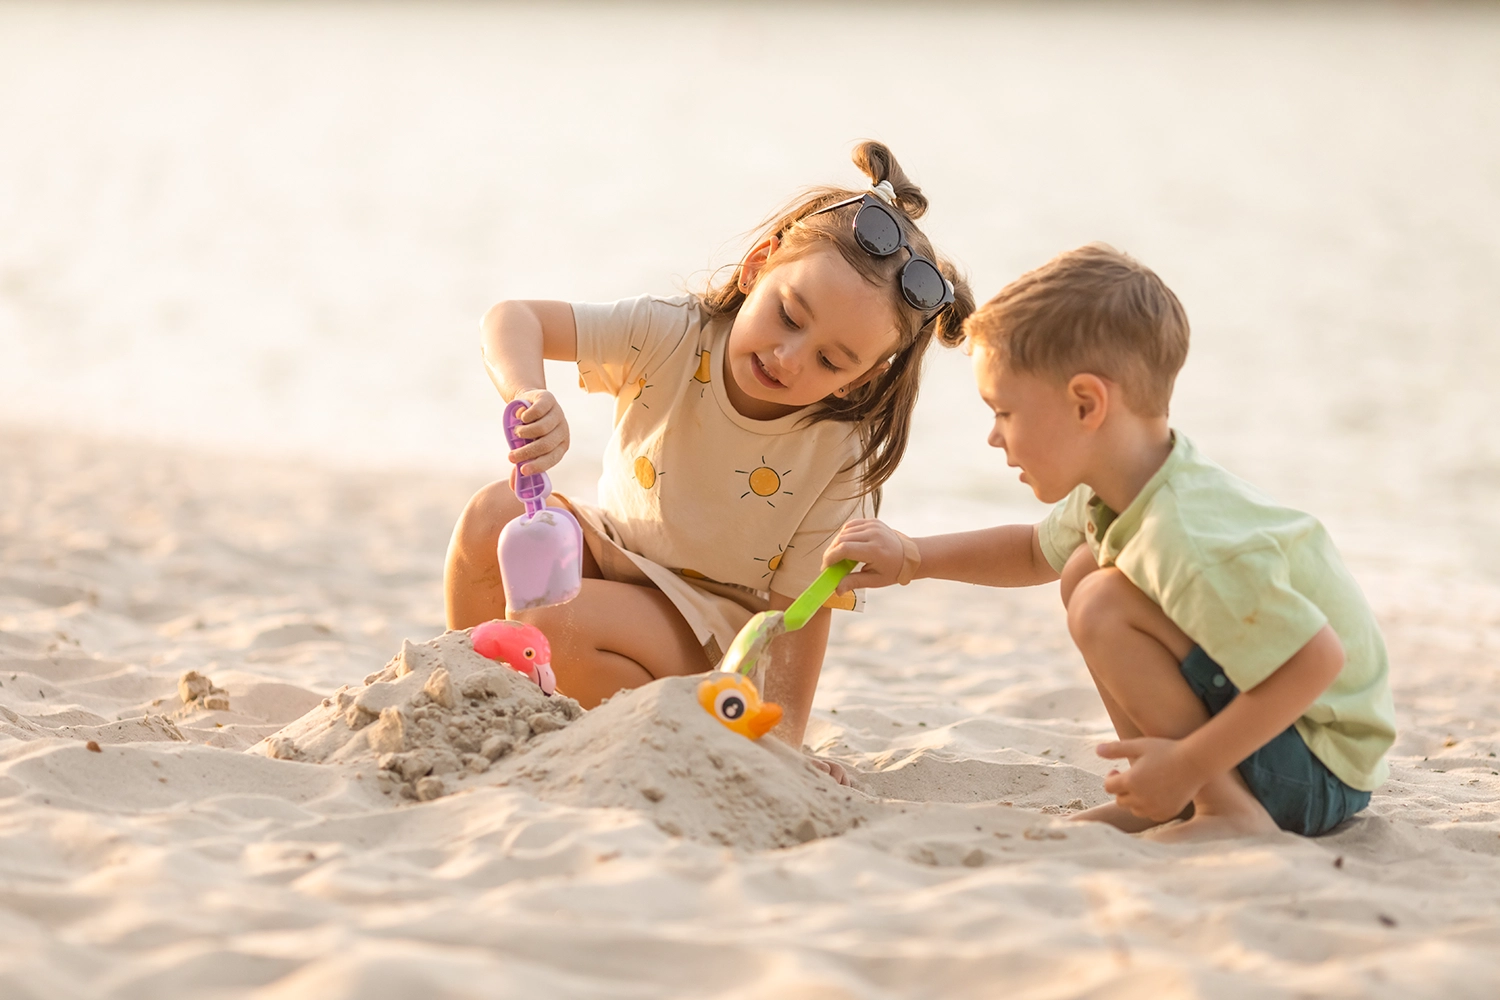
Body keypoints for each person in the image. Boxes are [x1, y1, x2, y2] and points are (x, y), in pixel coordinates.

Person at [822, 244, 1395, 839]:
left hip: (1320, 764)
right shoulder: (1124, 490)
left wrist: (1188, 764)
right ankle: (1168, 793)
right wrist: (912, 557)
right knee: (1081, 570)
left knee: (1102, 601)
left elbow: (1316, 661)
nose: (993, 436)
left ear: (1086, 404)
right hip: (1279, 738)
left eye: (1004, 412)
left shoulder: (1185, 535)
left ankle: (1220, 804)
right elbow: (1031, 553)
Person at [445, 142, 974, 762]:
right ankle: (473, 693)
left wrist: (782, 748)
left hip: (708, 633)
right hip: (617, 553)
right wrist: (529, 393)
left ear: (861, 378)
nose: (788, 358)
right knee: (493, 514)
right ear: (757, 267)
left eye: (831, 361)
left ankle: (584, 701)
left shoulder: (837, 455)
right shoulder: (670, 333)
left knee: (558, 620)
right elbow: (513, 319)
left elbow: (800, 614)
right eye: (788, 316)